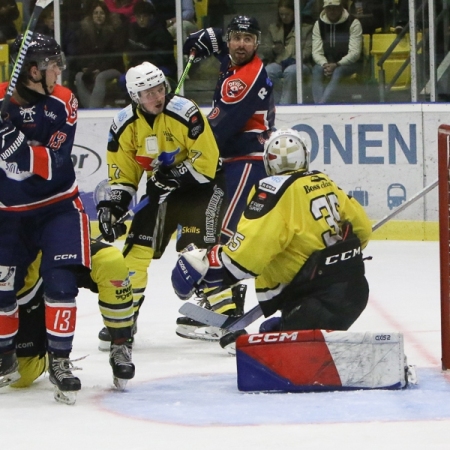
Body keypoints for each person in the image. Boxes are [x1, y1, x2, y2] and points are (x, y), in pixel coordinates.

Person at [171, 128, 372, 351]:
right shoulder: (325, 182)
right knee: (273, 331)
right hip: (355, 291)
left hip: (313, 302)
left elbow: (246, 257)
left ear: (268, 162)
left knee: (276, 354)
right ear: (305, 156)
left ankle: (293, 330)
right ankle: (290, 327)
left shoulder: (274, 191)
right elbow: (363, 230)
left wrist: (205, 272)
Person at [95, 61, 226, 347]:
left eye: (159, 89)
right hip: (160, 191)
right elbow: (123, 175)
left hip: (200, 189)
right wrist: (113, 207)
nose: (156, 97)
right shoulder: (123, 125)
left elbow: (207, 165)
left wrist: (176, 175)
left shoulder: (186, 113)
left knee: (197, 255)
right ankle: (125, 319)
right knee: (134, 254)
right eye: (148, 93)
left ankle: (227, 314)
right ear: (134, 97)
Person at [0, 33, 91, 403]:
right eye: (53, 65)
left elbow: (54, 164)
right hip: (9, 215)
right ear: (34, 71)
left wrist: (15, 142)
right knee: (2, 287)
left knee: (60, 281)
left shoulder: (63, 101)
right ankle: (4, 357)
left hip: (57, 206)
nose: (59, 71)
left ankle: (61, 359)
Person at [180, 16, 275, 337]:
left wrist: (184, 147)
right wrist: (209, 38)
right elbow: (222, 49)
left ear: (257, 42)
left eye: (248, 39)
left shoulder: (245, 78)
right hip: (236, 162)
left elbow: (216, 130)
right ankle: (221, 302)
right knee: (221, 233)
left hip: (245, 163)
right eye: (235, 38)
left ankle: (226, 314)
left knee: (224, 235)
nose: (240, 44)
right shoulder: (236, 64)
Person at [8, 240, 135, 393]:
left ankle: (121, 343)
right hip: (18, 268)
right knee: (22, 374)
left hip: (50, 239)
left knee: (109, 261)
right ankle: (48, 354)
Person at [73, 1, 126, 108]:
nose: (98, 16)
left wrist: (100, 69)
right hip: (91, 68)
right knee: (79, 76)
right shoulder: (85, 32)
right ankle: (92, 109)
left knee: (100, 77)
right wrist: (86, 67)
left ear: (106, 15)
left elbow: (115, 57)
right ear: (91, 15)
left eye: (101, 13)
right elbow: (80, 53)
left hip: (112, 68)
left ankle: (92, 111)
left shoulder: (114, 31)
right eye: (95, 13)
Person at [311, 0, 363, 104]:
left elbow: (355, 53)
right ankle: (318, 105)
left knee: (338, 71)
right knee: (316, 70)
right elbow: (316, 51)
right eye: (329, 8)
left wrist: (337, 64)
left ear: (341, 7)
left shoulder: (353, 22)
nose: (332, 11)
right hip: (327, 62)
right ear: (324, 9)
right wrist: (324, 64)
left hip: (351, 63)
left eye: (335, 7)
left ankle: (322, 105)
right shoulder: (319, 24)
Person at [262, 0, 313, 104]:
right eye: (281, 14)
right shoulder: (273, 28)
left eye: (287, 14)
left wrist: (296, 59)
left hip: (300, 63)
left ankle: (286, 105)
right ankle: (275, 104)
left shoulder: (306, 29)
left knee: (291, 71)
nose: (284, 17)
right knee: (268, 71)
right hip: (278, 62)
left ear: (295, 13)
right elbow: (264, 49)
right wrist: (273, 49)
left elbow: (309, 50)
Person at [126, 1, 177, 82]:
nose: (141, 20)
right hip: (140, 68)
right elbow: (131, 53)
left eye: (144, 16)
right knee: (123, 80)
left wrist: (142, 66)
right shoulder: (133, 30)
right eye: (138, 16)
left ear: (151, 16)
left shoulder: (161, 32)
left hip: (162, 67)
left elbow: (162, 58)